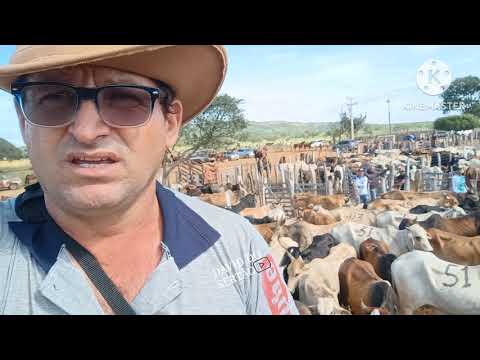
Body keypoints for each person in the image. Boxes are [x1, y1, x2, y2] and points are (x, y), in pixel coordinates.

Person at [0, 45, 298, 315]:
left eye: (125, 99)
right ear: (24, 121)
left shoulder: (238, 246)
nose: (86, 131)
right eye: (53, 98)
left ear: (170, 124)